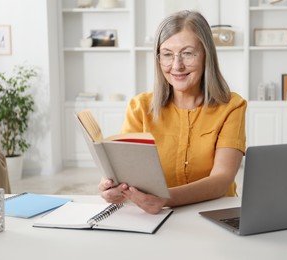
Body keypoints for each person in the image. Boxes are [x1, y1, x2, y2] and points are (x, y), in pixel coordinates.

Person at [99, 10, 247, 214]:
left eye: (187, 53)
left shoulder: (232, 106)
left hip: (216, 213)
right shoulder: (139, 107)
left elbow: (221, 180)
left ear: (206, 55)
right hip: (155, 217)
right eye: (167, 54)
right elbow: (126, 173)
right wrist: (113, 187)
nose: (176, 66)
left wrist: (166, 199)